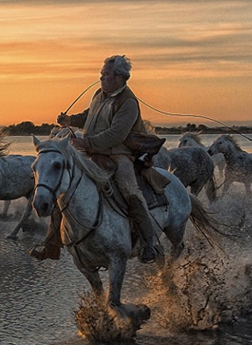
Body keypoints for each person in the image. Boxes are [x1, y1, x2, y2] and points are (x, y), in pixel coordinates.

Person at [30, 55, 162, 263]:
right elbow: (88, 115)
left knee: (130, 191)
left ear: (119, 77)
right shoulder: (99, 94)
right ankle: (52, 244)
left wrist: (87, 144)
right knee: (63, 188)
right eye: (101, 74)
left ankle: (148, 244)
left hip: (120, 154)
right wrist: (70, 120)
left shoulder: (128, 102)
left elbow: (116, 134)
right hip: (93, 153)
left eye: (105, 75)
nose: (101, 78)